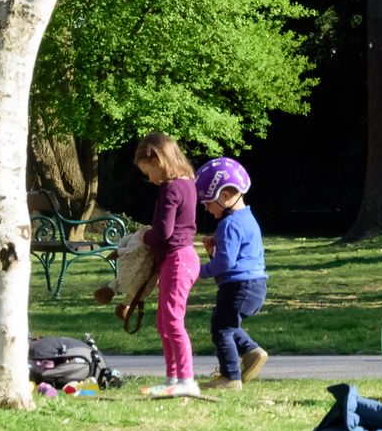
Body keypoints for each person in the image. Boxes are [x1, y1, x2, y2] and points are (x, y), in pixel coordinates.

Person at [105, 134, 202, 395]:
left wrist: (141, 236)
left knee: (172, 320)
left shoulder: (171, 188)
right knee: (164, 320)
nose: (149, 179)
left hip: (179, 258)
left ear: (158, 159)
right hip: (180, 258)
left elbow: (163, 232)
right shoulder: (188, 184)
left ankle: (187, 380)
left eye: (149, 172)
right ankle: (173, 378)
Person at [196, 155, 267, 385]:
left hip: (239, 286)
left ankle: (230, 377)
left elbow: (225, 264)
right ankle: (253, 353)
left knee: (221, 330)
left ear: (225, 197)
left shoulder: (229, 224)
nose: (206, 208)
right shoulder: (247, 218)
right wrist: (212, 251)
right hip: (254, 285)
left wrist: (198, 270)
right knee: (225, 322)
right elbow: (234, 256)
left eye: (207, 202)